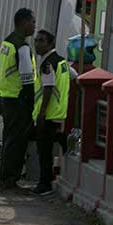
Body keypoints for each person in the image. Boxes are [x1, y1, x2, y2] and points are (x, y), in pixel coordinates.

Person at [0, 8, 38, 190]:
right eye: (32, 22)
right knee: (17, 141)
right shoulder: (22, 47)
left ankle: (5, 177)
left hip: (7, 96)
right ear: (23, 23)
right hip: (18, 99)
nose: (34, 26)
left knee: (9, 139)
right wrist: (30, 104)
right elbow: (27, 79)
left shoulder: (7, 42)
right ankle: (10, 180)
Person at [32, 29, 70, 196]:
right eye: (36, 40)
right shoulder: (62, 62)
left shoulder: (47, 64)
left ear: (50, 44)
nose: (37, 44)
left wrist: (41, 113)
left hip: (48, 114)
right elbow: (75, 77)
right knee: (46, 145)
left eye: (41, 41)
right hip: (58, 112)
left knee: (44, 151)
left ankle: (44, 183)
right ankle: (62, 139)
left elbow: (48, 88)